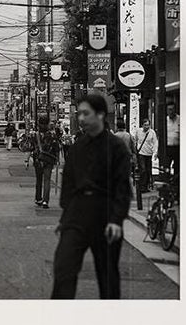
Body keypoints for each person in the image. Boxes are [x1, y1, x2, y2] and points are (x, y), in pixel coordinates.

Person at [51, 91, 133, 299]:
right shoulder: (77, 146)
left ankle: (109, 322)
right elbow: (68, 183)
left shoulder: (117, 148)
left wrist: (116, 220)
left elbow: (122, 188)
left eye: (85, 114)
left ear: (100, 115)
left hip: (105, 215)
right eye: (79, 114)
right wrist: (66, 217)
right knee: (64, 268)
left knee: (107, 276)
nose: (80, 118)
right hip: (77, 215)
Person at [33, 122, 60, 209]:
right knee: (47, 180)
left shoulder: (36, 135)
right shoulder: (52, 136)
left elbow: (31, 147)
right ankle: (45, 201)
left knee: (39, 180)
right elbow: (57, 148)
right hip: (49, 160)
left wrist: (27, 159)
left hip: (38, 159)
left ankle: (38, 198)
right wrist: (57, 159)